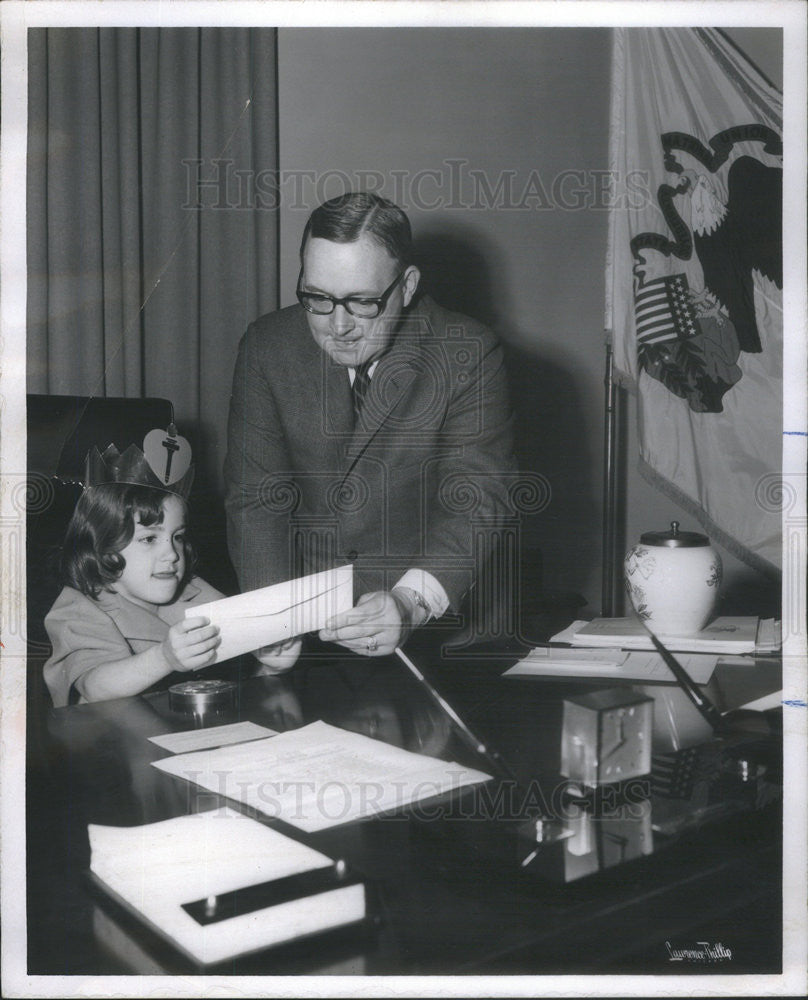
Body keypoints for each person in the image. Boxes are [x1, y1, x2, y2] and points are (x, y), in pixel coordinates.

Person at [224, 192, 517, 666]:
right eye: (317, 298)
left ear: (406, 285)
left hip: (430, 630)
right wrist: (272, 620)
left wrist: (409, 604)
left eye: (362, 302)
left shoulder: (469, 353)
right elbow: (257, 497)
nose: (338, 326)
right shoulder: (267, 346)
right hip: (304, 627)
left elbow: (477, 500)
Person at [44, 437, 296, 706]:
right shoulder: (79, 609)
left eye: (177, 537)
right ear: (103, 547)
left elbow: (233, 683)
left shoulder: (195, 593)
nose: (172, 554)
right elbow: (95, 686)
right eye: (149, 539)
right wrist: (164, 658)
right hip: (113, 742)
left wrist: (271, 667)